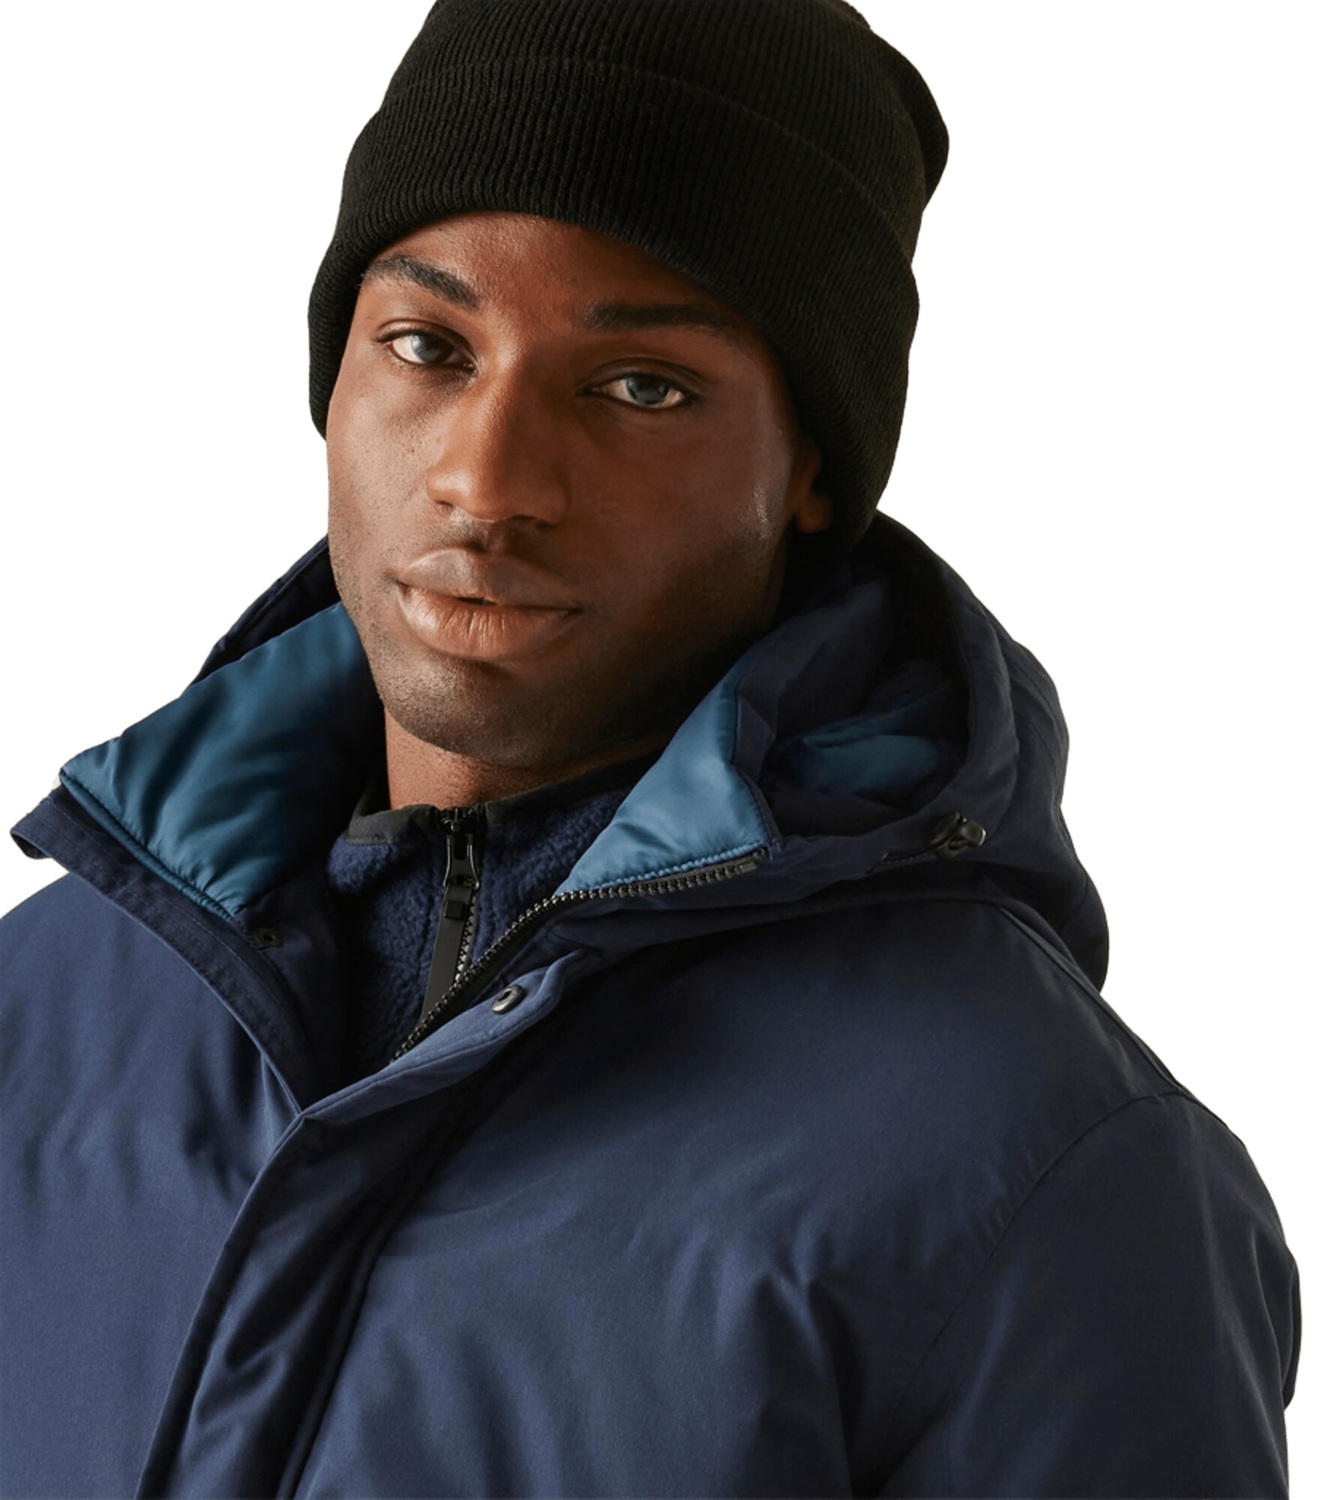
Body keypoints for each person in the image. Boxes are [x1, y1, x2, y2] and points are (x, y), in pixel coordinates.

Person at [0, 1, 1300, 1495]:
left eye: (639, 388)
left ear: (812, 472)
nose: (489, 478)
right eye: (428, 346)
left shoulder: (1042, 1167)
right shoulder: (41, 1013)